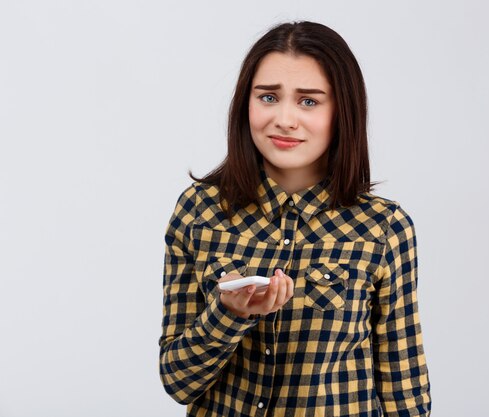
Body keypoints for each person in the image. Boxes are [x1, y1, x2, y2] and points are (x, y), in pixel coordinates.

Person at [159, 21, 431, 417]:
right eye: (268, 97)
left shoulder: (384, 228)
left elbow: (403, 389)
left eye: (309, 101)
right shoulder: (199, 212)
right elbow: (178, 383)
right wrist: (229, 315)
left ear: (342, 111)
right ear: (245, 104)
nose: (285, 119)